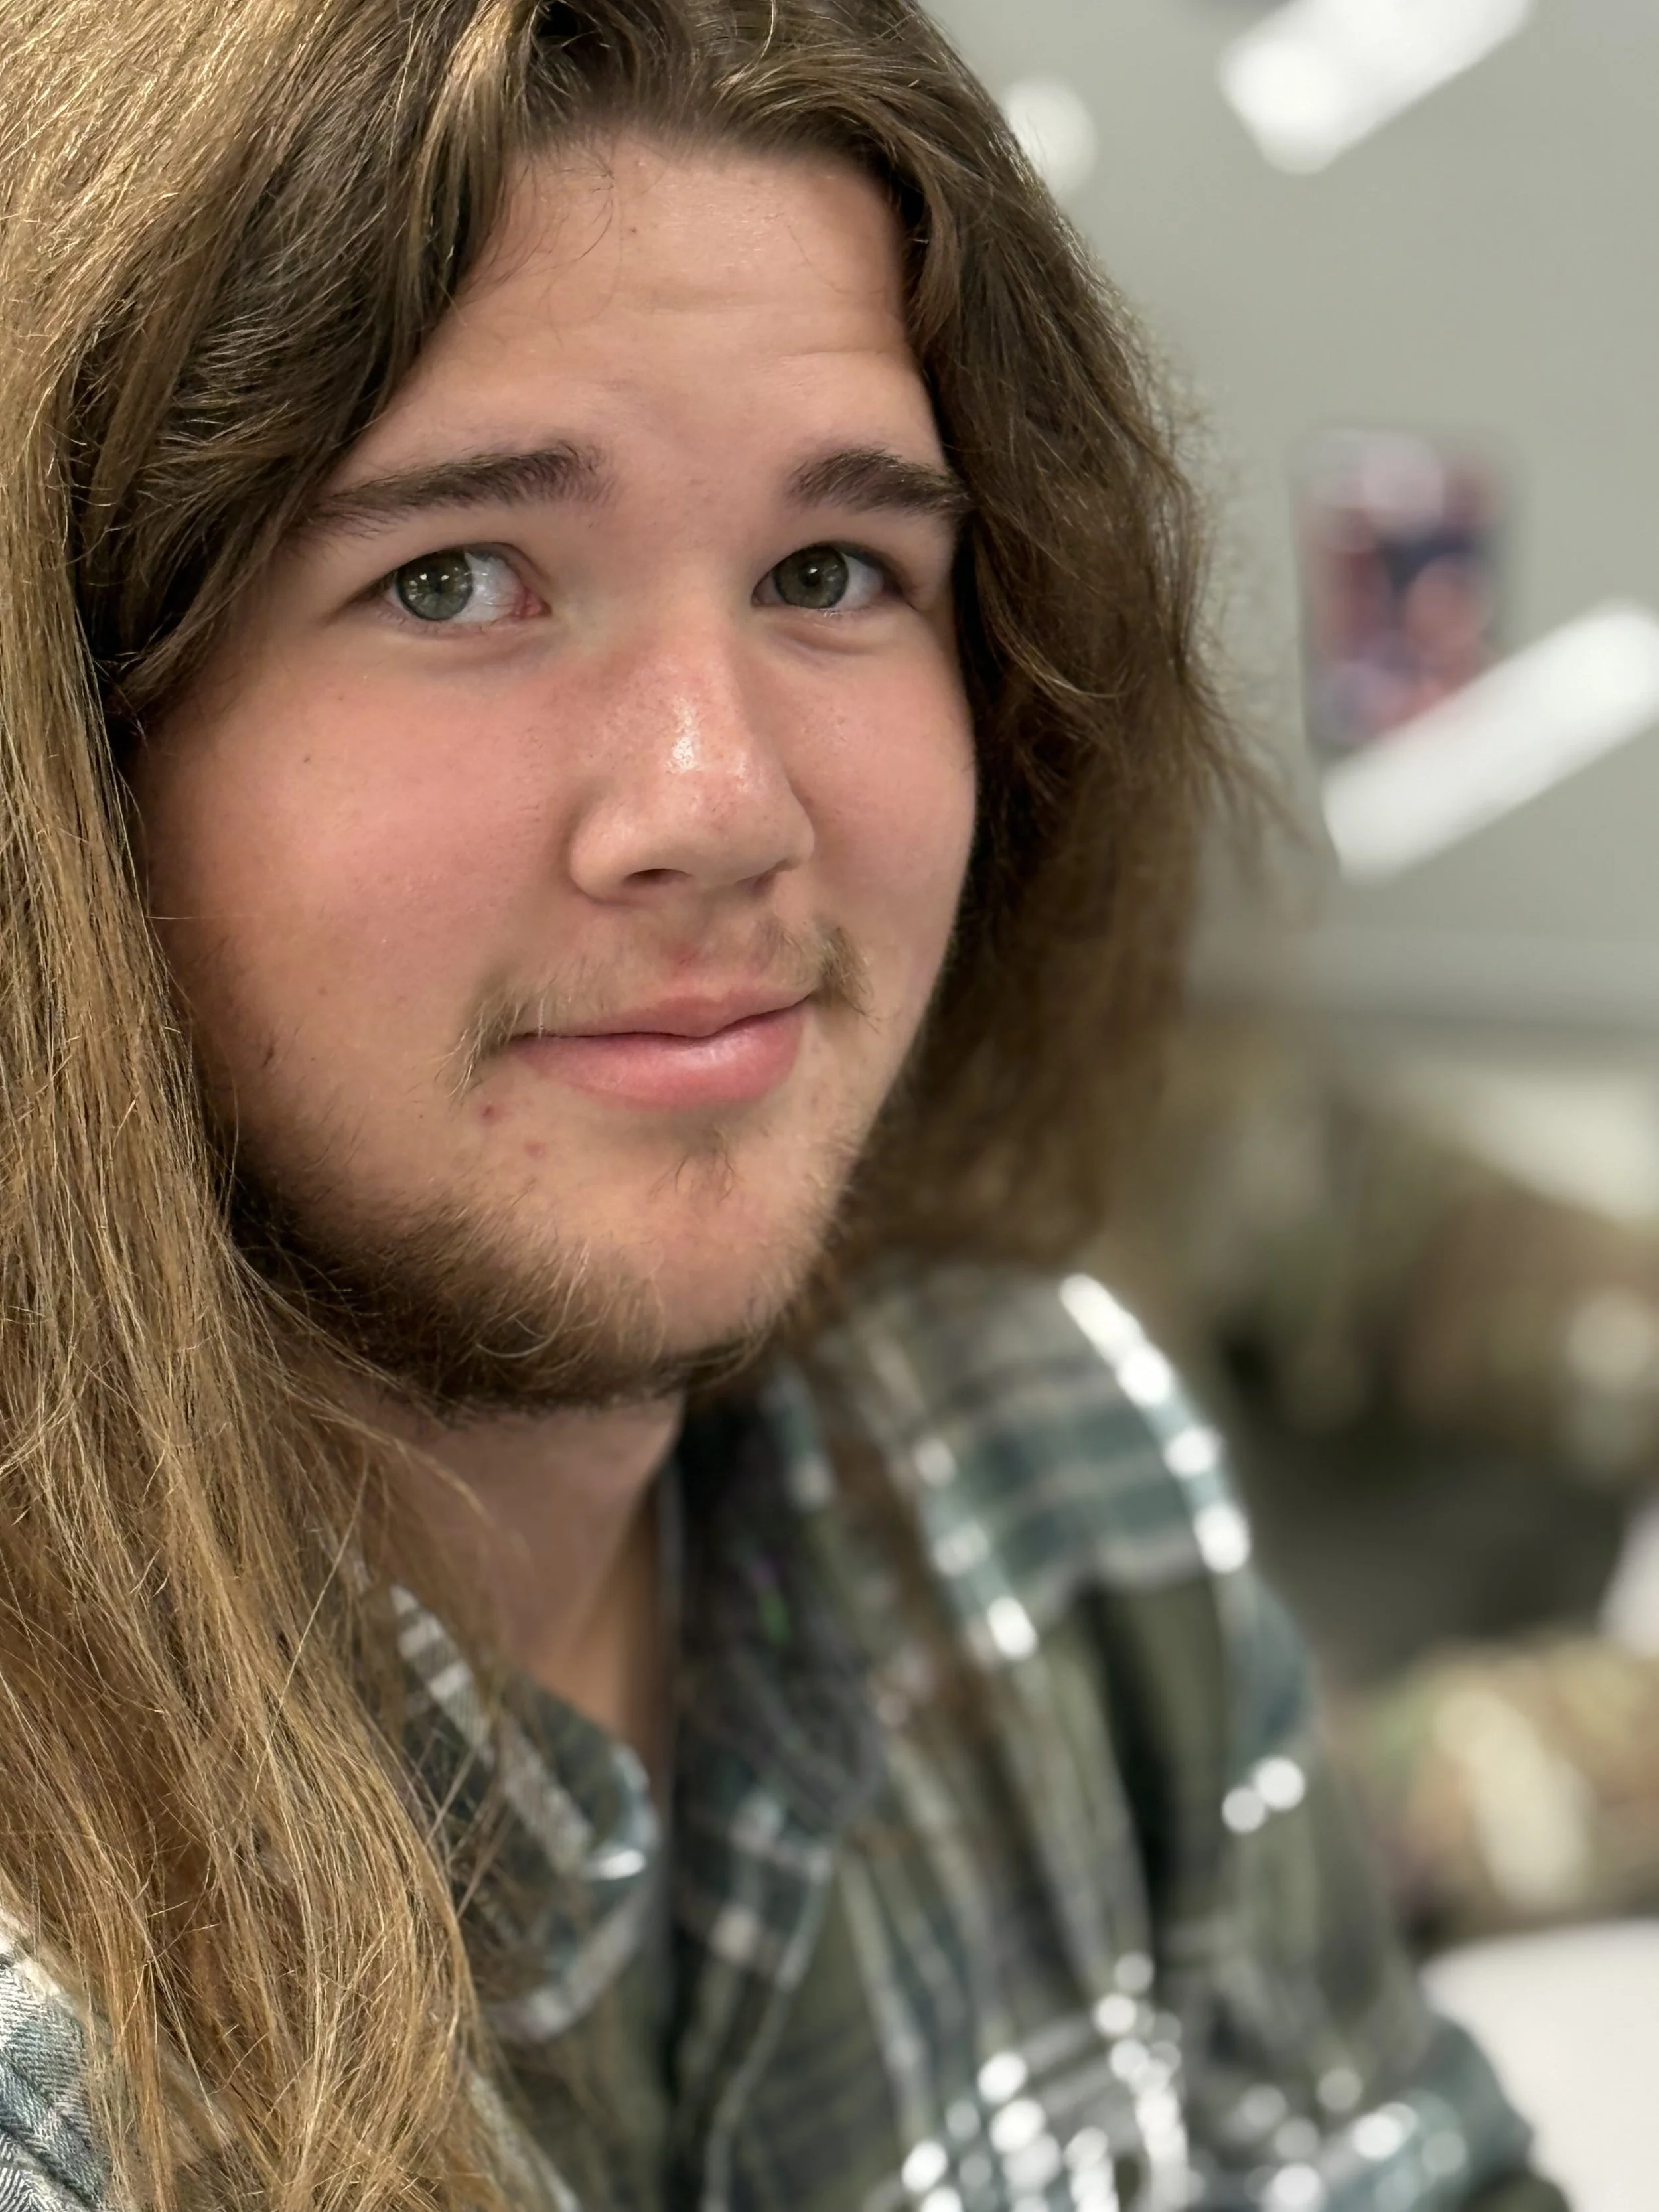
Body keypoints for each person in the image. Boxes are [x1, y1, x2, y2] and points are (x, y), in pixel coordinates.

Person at [0, 3, 1561, 2208]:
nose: (719, 808)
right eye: (454, 579)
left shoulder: (1033, 1468)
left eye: (831, 574)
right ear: (70, 762)